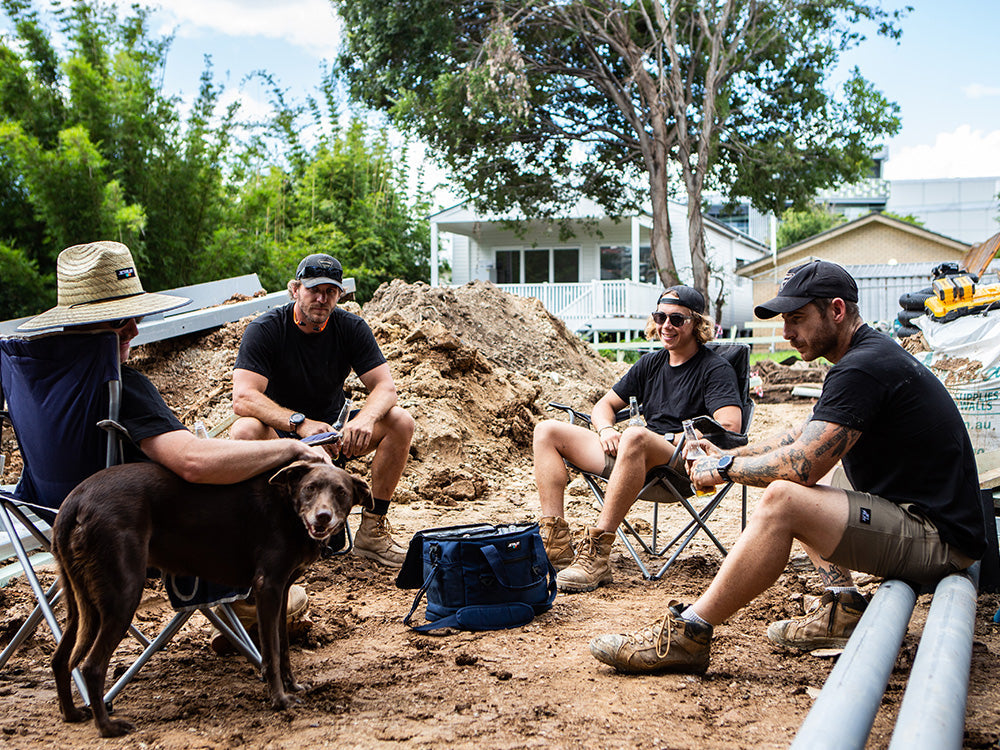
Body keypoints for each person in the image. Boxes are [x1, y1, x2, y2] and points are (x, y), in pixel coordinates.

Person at [589, 260, 988, 674]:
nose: (786, 333)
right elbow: (801, 436)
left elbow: (801, 465)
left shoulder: (862, 367)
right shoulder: (865, 356)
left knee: (786, 498)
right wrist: (725, 453)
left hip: (941, 540)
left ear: (836, 310)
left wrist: (722, 467)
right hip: (923, 520)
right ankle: (843, 607)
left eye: (796, 319)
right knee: (814, 480)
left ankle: (689, 633)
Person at [18, 241, 329, 646]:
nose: (134, 330)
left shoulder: (36, 377)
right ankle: (247, 598)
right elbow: (193, 463)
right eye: (120, 322)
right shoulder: (120, 386)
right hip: (134, 532)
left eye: (135, 317)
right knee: (262, 501)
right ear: (86, 324)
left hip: (53, 515)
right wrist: (290, 449)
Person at [532, 286, 743, 593]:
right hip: (634, 459)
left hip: (680, 467)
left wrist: (677, 438)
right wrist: (606, 430)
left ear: (696, 324)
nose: (666, 325)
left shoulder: (715, 369)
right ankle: (555, 546)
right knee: (546, 431)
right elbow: (604, 406)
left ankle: (597, 555)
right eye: (660, 317)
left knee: (635, 434)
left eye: (676, 319)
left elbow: (729, 426)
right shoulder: (651, 363)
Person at [230, 253, 414, 568]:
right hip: (280, 435)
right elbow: (243, 398)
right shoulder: (266, 329)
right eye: (313, 290)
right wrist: (301, 425)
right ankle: (266, 532)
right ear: (294, 289)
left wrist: (365, 419)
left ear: (339, 295)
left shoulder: (350, 327)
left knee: (400, 421)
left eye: (330, 291)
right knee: (245, 429)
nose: (321, 298)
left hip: (334, 437)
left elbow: (385, 388)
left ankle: (372, 532)